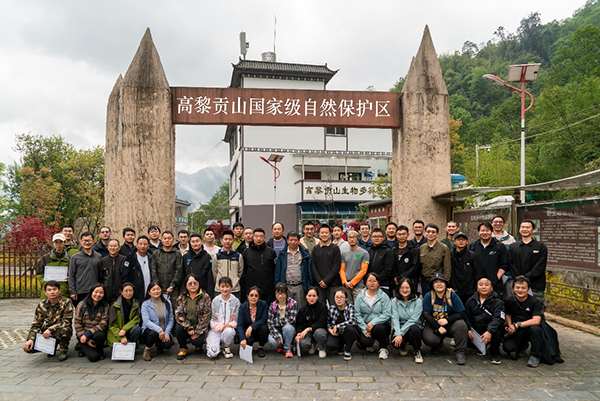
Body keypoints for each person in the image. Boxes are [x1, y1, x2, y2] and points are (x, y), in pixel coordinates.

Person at [503, 276, 563, 367]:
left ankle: (535, 355)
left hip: (530, 328)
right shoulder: (509, 300)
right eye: (517, 287)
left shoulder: (535, 302)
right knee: (508, 347)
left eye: (523, 288)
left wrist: (517, 325)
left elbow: (536, 320)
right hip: (517, 330)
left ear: (528, 289)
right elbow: (508, 314)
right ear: (513, 289)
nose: (520, 290)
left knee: (535, 329)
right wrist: (510, 325)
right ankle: (522, 346)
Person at [422, 273, 469, 365]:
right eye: (436, 282)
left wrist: (447, 320)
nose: (439, 284)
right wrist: (438, 327)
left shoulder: (452, 295)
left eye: (441, 282)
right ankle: (437, 344)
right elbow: (426, 314)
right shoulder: (429, 296)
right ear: (432, 285)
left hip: (450, 324)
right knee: (429, 339)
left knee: (461, 325)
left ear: (446, 284)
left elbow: (461, 313)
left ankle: (460, 351)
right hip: (434, 324)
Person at [23, 280, 73, 362]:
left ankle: (63, 350)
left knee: (66, 330)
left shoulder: (66, 302)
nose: (52, 292)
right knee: (29, 348)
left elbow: (66, 321)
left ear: (59, 291)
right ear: (45, 292)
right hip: (46, 332)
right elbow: (36, 324)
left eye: (54, 289)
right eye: (49, 290)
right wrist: (31, 339)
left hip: (60, 329)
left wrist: (50, 329)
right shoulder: (42, 305)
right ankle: (51, 348)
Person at [464, 278, 504, 365]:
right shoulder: (471, 300)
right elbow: (466, 316)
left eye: (486, 285)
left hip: (490, 329)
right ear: (477, 288)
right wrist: (469, 328)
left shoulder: (497, 301)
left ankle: (495, 354)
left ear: (491, 288)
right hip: (476, 329)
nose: (483, 287)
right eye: (481, 285)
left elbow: (498, 318)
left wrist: (489, 331)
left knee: (496, 331)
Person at [508, 220, 548, 305]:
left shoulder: (541, 247)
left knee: (537, 309)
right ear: (519, 229)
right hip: (518, 286)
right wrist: (518, 278)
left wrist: (526, 277)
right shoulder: (513, 247)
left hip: (535, 285)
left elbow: (540, 266)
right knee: (517, 309)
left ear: (533, 230)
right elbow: (511, 264)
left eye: (527, 227)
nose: (525, 229)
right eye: (523, 227)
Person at [354, 272, 392, 360]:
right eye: (369, 281)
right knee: (365, 342)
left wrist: (373, 323)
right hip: (366, 326)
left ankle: (383, 347)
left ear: (378, 283)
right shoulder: (360, 297)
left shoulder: (384, 296)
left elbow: (387, 314)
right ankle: (369, 342)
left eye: (374, 281)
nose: (372, 283)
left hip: (381, 325)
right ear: (366, 283)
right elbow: (357, 314)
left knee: (378, 328)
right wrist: (364, 329)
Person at [174, 274, 211, 360]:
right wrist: (189, 328)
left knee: (197, 341)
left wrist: (197, 332)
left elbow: (206, 316)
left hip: (200, 327)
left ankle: (198, 346)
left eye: (195, 283)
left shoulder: (205, 297)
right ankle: (183, 348)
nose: (193, 285)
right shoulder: (181, 297)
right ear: (186, 285)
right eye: (190, 283)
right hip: (186, 327)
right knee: (178, 329)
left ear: (199, 284)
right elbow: (179, 315)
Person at [469, 222, 508, 298]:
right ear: (479, 232)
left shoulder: (499, 246)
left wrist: (495, 279)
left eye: (487, 230)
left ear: (492, 232)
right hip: (477, 286)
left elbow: (504, 265)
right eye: (482, 231)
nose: (485, 233)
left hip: (495, 286)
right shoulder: (473, 246)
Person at [275, 231, 312, 310]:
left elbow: (308, 270)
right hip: (286, 286)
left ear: (299, 241)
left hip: (300, 286)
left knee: (301, 308)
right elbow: (278, 270)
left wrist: (309, 285)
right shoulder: (282, 253)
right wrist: (278, 285)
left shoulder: (304, 253)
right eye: (291, 240)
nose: (293, 242)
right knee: (287, 308)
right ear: (287, 241)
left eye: (295, 240)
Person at [391, 278, 423, 364]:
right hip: (400, 326)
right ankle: (403, 345)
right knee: (394, 343)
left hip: (413, 326)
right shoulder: (395, 301)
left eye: (407, 288)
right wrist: (398, 333)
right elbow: (395, 318)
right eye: (402, 288)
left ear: (411, 288)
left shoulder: (418, 301)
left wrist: (400, 334)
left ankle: (417, 350)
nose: (404, 290)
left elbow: (414, 319)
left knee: (414, 329)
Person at [206, 277, 240, 359]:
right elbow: (212, 318)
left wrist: (229, 325)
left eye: (227, 286)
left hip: (228, 328)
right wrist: (221, 327)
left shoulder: (236, 301)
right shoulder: (215, 301)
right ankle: (217, 346)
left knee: (229, 332)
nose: (225, 289)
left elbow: (237, 318)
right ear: (219, 287)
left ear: (231, 287)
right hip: (216, 330)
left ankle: (226, 347)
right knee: (212, 354)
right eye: (222, 286)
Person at [74, 283, 109, 362]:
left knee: (100, 335)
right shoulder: (82, 305)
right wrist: (85, 338)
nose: (98, 295)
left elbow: (103, 324)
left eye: (101, 293)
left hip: (95, 334)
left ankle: (99, 349)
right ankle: (83, 347)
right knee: (93, 358)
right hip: (83, 335)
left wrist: (88, 334)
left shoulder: (105, 306)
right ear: (91, 292)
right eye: (96, 292)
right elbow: (77, 323)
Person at [141, 281, 174, 361]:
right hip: (150, 330)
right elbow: (146, 321)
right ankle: (147, 349)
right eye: (153, 289)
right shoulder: (145, 304)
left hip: (164, 330)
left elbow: (171, 319)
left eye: (158, 289)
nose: (156, 291)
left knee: (168, 344)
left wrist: (167, 333)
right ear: (149, 292)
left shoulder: (167, 302)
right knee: (153, 334)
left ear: (161, 290)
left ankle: (159, 344)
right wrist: (159, 330)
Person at [243, 228, 277, 305]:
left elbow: (274, 269)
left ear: (264, 237)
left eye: (261, 236)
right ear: (253, 237)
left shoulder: (271, 252)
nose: (258, 239)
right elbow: (244, 270)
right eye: (256, 236)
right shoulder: (246, 252)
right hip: (251, 289)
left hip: (267, 289)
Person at [68, 231, 102, 307]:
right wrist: (72, 291)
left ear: (93, 242)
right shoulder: (75, 257)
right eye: (84, 241)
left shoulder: (98, 256)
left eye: (89, 240)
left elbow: (100, 275)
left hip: (94, 291)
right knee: (80, 312)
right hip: (80, 291)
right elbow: (71, 275)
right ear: (80, 242)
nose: (87, 243)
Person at [311, 224, 342, 306]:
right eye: (322, 233)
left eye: (326, 233)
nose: (324, 235)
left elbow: (336, 266)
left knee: (334, 306)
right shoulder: (315, 249)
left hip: (333, 284)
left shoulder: (335, 248)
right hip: (319, 284)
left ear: (330, 234)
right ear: (318, 234)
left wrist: (326, 281)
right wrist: (320, 281)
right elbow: (313, 266)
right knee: (320, 307)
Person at [295, 287, 328, 358]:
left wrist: (308, 329)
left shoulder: (323, 307)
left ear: (317, 297)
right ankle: (312, 344)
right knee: (303, 344)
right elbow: (299, 324)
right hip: (308, 333)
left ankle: (321, 348)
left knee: (320, 333)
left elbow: (322, 323)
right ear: (306, 296)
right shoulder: (303, 309)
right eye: (309, 296)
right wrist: (299, 333)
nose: (311, 298)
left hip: (319, 330)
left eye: (314, 296)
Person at [326, 288, 358, 361]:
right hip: (336, 333)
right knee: (330, 346)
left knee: (351, 329)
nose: (339, 299)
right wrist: (330, 329)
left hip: (346, 332)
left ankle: (347, 350)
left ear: (346, 298)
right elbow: (328, 322)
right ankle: (340, 347)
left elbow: (352, 321)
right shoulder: (332, 308)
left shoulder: (350, 307)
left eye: (341, 297)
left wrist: (337, 326)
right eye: (337, 297)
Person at [267, 283, 298, 358]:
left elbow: (292, 320)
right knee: (272, 341)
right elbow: (270, 323)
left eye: (282, 293)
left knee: (288, 328)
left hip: (288, 329)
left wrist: (277, 321)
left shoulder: (293, 303)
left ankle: (287, 348)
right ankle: (280, 344)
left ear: (287, 293)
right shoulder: (273, 305)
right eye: (278, 293)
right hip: (277, 330)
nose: (280, 296)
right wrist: (277, 336)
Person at [107, 282, 142, 347]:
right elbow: (112, 325)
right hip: (117, 333)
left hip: (128, 330)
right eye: (126, 291)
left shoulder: (136, 305)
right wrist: (121, 337)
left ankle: (131, 344)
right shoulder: (114, 306)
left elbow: (136, 319)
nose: (128, 293)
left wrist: (124, 329)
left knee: (137, 329)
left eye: (130, 291)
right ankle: (128, 344)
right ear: (121, 292)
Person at [419, 224, 451, 295]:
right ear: (425, 232)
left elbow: (447, 268)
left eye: (433, 232)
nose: (430, 234)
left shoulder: (443, 248)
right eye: (428, 231)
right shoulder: (422, 248)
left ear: (437, 234)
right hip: (424, 281)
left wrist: (445, 283)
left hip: (438, 282)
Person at [450, 232, 481, 305]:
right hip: (454, 290)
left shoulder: (472, 255)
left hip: (469, 291)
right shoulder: (450, 255)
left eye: (463, 240)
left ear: (467, 241)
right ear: (455, 241)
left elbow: (477, 273)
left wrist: (475, 289)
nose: (461, 241)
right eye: (458, 239)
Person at [151, 230, 183, 301]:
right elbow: (153, 270)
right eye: (165, 238)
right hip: (158, 288)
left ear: (173, 240)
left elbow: (179, 270)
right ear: (161, 240)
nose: (167, 240)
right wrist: (157, 285)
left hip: (174, 289)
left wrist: (172, 286)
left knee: (173, 306)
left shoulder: (177, 253)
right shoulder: (156, 253)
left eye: (169, 238)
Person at [237, 286, 269, 358]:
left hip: (258, 330)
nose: (253, 298)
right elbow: (240, 325)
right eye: (251, 295)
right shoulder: (243, 307)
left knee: (264, 328)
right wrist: (242, 338)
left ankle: (261, 347)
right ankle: (247, 347)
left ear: (259, 297)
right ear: (247, 296)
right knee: (248, 341)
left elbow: (263, 319)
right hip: (248, 333)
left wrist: (252, 327)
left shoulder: (263, 304)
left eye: (256, 296)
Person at [212, 229, 244, 300]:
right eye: (225, 239)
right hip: (220, 289)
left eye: (230, 239)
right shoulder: (217, 256)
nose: (227, 241)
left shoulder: (238, 256)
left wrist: (235, 280)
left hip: (234, 289)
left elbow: (240, 271)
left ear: (233, 241)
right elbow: (215, 272)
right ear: (222, 241)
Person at [36, 233, 70, 298]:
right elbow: (39, 274)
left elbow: (74, 274)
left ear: (64, 243)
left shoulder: (70, 259)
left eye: (61, 242)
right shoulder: (45, 258)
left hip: (64, 293)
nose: (58, 244)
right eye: (56, 242)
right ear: (53, 243)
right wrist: (46, 283)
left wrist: (69, 279)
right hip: (48, 293)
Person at [340, 230, 369, 302]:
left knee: (358, 306)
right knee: (348, 306)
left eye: (354, 237)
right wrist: (345, 282)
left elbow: (363, 270)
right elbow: (342, 270)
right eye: (350, 237)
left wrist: (352, 282)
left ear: (357, 239)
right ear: (347, 239)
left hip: (358, 286)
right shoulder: (344, 254)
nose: (352, 239)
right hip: (346, 285)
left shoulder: (364, 253)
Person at [184, 233, 214, 298]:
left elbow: (209, 276)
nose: (195, 244)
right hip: (189, 291)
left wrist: (210, 293)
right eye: (193, 242)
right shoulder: (186, 256)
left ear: (201, 242)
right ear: (190, 243)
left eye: (197, 241)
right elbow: (183, 274)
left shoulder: (207, 257)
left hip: (203, 290)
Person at [392, 225, 420, 292]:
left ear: (408, 235)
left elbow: (414, 268)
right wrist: (395, 277)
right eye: (399, 234)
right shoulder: (393, 250)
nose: (401, 236)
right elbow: (391, 266)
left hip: (410, 282)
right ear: (396, 235)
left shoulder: (414, 250)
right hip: (395, 282)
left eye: (404, 234)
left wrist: (401, 278)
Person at [367, 228, 394, 297]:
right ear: (371, 238)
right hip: (369, 284)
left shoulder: (388, 251)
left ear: (383, 238)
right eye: (374, 236)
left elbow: (388, 269)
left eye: (379, 236)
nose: (377, 238)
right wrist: (370, 280)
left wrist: (376, 280)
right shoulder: (368, 251)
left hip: (383, 284)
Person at [125, 235, 152, 304]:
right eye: (140, 244)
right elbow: (125, 276)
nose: (143, 246)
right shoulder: (130, 258)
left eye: (145, 244)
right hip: (135, 294)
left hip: (150, 293)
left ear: (148, 246)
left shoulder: (151, 258)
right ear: (137, 245)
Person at [99, 239, 128, 304]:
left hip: (121, 294)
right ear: (108, 248)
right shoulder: (102, 261)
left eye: (115, 246)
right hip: (106, 294)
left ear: (119, 248)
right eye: (111, 246)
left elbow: (127, 276)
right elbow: (100, 277)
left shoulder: (124, 260)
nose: (113, 248)